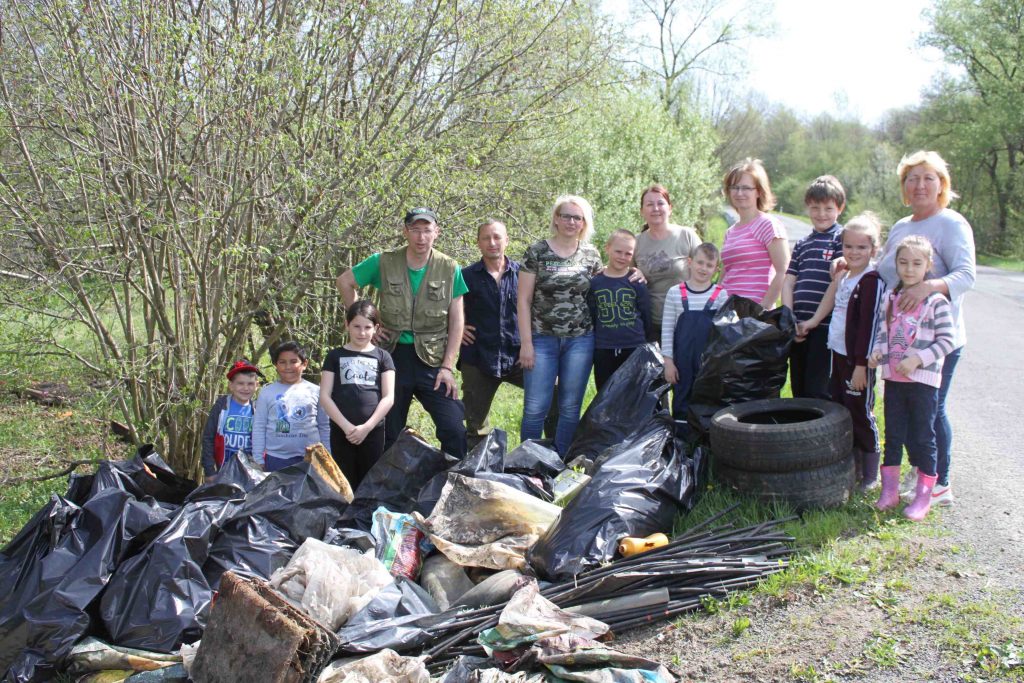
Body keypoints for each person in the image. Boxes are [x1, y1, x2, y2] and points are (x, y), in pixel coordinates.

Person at [874, 151, 976, 507]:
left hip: (936, 341)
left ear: (941, 185)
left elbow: (966, 275)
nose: (920, 185)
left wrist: (927, 287)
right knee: (905, 413)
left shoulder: (951, 224)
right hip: (899, 344)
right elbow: (886, 270)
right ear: (904, 186)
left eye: (928, 178)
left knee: (931, 410)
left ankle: (940, 482)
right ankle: (920, 473)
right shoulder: (902, 227)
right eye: (912, 179)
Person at [336, 207, 469, 459]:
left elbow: (456, 320)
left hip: (433, 360)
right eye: (415, 230)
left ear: (437, 232)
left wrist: (447, 367)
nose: (421, 237)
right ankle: (387, 481)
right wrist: (365, 323)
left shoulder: (450, 267)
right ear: (405, 231)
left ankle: (451, 479)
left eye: (427, 230)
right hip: (391, 356)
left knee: (453, 428)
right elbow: (345, 282)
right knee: (388, 430)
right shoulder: (383, 261)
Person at [869, 235, 955, 520]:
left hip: (923, 383)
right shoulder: (891, 298)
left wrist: (918, 359)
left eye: (917, 263)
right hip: (894, 381)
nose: (909, 269)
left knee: (923, 437)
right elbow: (882, 333)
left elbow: (947, 341)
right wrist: (877, 353)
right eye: (903, 262)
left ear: (928, 265)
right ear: (896, 264)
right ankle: (889, 492)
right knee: (893, 435)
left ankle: (923, 497)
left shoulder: (936, 302)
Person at [798, 213, 886, 492]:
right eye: (848, 246)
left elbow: (868, 327)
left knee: (860, 412)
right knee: (841, 407)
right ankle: (853, 465)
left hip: (858, 361)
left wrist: (861, 365)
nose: (854, 252)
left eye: (861, 247)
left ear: (873, 249)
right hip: (837, 353)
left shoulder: (871, 280)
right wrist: (813, 321)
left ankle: (871, 474)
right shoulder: (845, 274)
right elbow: (831, 296)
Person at [459, 219, 556, 449]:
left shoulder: (525, 274)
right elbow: (448, 308)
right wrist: (457, 327)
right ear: (478, 242)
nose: (492, 243)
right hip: (479, 357)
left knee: (554, 395)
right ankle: (479, 466)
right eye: (486, 238)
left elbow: (542, 309)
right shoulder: (465, 276)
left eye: (497, 237)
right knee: (475, 423)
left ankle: (551, 454)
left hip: (520, 356)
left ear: (507, 240)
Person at [518, 195, 603, 455]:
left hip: (580, 340)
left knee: (570, 408)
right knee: (535, 408)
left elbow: (604, 286)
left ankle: (561, 461)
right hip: (541, 338)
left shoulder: (591, 254)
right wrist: (526, 343)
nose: (571, 221)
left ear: (584, 223)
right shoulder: (536, 251)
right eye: (566, 215)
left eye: (577, 217)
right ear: (556, 218)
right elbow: (523, 300)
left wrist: (635, 272)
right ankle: (526, 464)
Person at [320, 301, 396, 490]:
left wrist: (367, 427)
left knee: (369, 484)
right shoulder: (334, 356)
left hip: (373, 432)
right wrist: (346, 427)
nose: (362, 333)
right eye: (356, 326)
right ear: (347, 325)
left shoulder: (383, 357)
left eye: (367, 327)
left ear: (376, 328)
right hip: (341, 431)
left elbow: (388, 397)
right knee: (344, 485)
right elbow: (324, 396)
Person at [783, 176, 846, 400]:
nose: (821, 214)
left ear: (840, 208)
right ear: (807, 207)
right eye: (815, 208)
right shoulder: (802, 244)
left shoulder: (842, 239)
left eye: (828, 208)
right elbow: (789, 281)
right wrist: (789, 318)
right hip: (798, 326)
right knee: (799, 388)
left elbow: (837, 283)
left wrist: (814, 321)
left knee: (817, 390)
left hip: (824, 328)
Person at [661, 242, 727, 421]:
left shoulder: (720, 294)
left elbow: (724, 334)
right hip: (682, 362)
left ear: (716, 269)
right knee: (682, 400)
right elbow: (667, 330)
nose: (703, 268)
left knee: (709, 401)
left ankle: (707, 437)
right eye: (700, 262)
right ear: (690, 262)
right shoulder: (675, 293)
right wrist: (668, 362)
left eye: (709, 265)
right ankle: (682, 435)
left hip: (710, 363)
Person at [587, 229, 652, 391]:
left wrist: (646, 342)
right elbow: (593, 314)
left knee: (633, 393)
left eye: (628, 253)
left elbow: (646, 315)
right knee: (606, 393)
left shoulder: (637, 282)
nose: (622, 257)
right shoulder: (595, 283)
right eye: (618, 251)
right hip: (605, 348)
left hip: (634, 347)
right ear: (607, 248)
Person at [633, 185, 700, 339]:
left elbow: (706, 268)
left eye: (660, 203)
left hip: (686, 320)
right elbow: (623, 274)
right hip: (650, 324)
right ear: (642, 211)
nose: (655, 208)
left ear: (670, 208)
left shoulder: (687, 235)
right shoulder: (636, 243)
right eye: (649, 204)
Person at [720, 158, 790, 308]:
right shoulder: (730, 232)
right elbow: (726, 273)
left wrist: (762, 309)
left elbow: (783, 271)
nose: (739, 193)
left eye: (746, 188)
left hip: (754, 313)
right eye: (735, 187)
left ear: (758, 191)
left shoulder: (768, 225)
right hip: (726, 311)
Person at [252, 341, 331, 471]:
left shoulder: (316, 391)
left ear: (304, 364)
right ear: (276, 365)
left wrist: (328, 457)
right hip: (275, 459)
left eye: (293, 361)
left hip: (311, 459)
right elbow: (259, 427)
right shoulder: (266, 392)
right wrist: (258, 459)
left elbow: (324, 426)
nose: (288, 367)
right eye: (282, 362)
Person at [201, 359, 264, 478]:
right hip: (223, 470)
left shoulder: (258, 410)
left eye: (250, 384)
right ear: (231, 385)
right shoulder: (221, 407)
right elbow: (208, 438)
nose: (246, 388)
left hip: (250, 472)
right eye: (240, 383)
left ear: (257, 386)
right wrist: (209, 471)